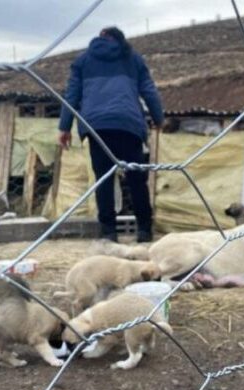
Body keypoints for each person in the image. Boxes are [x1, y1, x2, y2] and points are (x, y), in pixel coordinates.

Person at [58, 27, 164, 243]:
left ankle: (108, 232)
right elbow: (149, 90)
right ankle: (144, 230)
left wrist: (64, 127)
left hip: (97, 127)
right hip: (128, 125)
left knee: (104, 180)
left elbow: (72, 95)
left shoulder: (83, 61)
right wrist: (158, 118)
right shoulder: (132, 58)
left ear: (100, 38)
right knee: (136, 178)